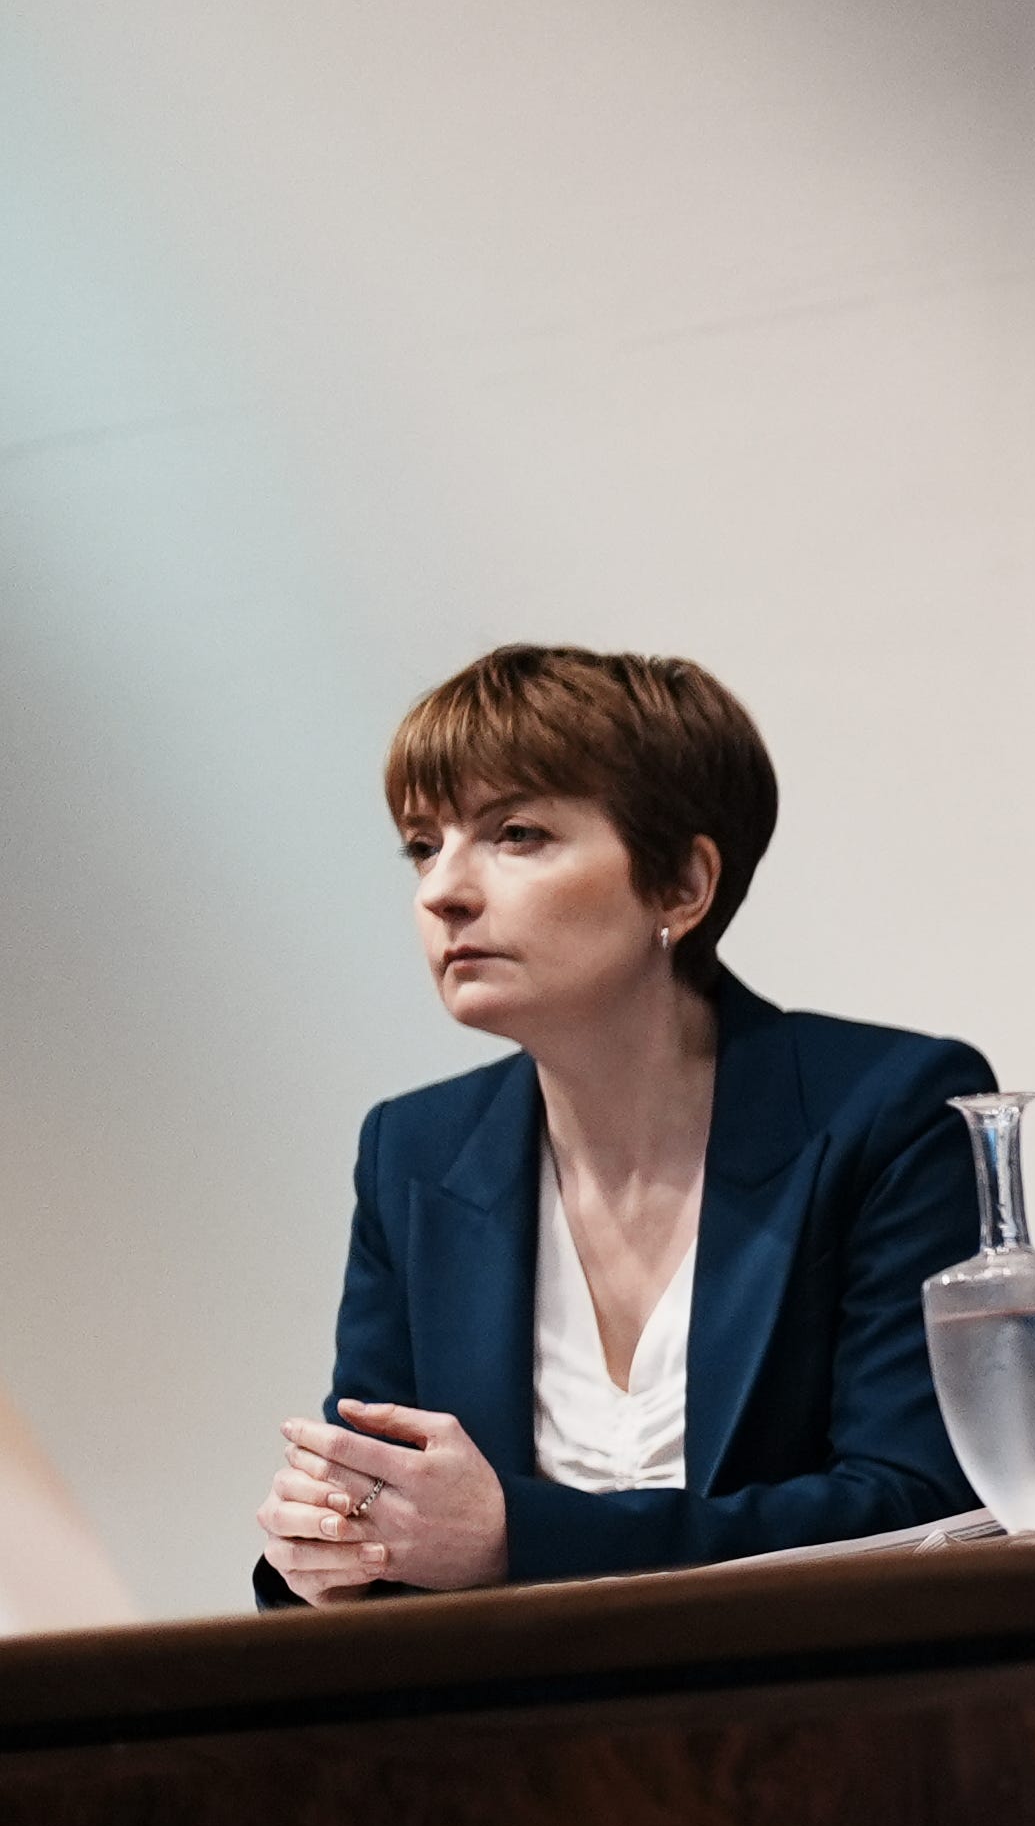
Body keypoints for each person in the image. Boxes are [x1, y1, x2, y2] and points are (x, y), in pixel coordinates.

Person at [255, 647, 997, 1600]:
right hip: (504, 1734)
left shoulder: (888, 1111)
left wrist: (521, 1536)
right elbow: (383, 1505)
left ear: (683, 886)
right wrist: (336, 1550)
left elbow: (924, 1508)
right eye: (422, 844)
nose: (443, 890)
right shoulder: (414, 1153)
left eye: (514, 833)